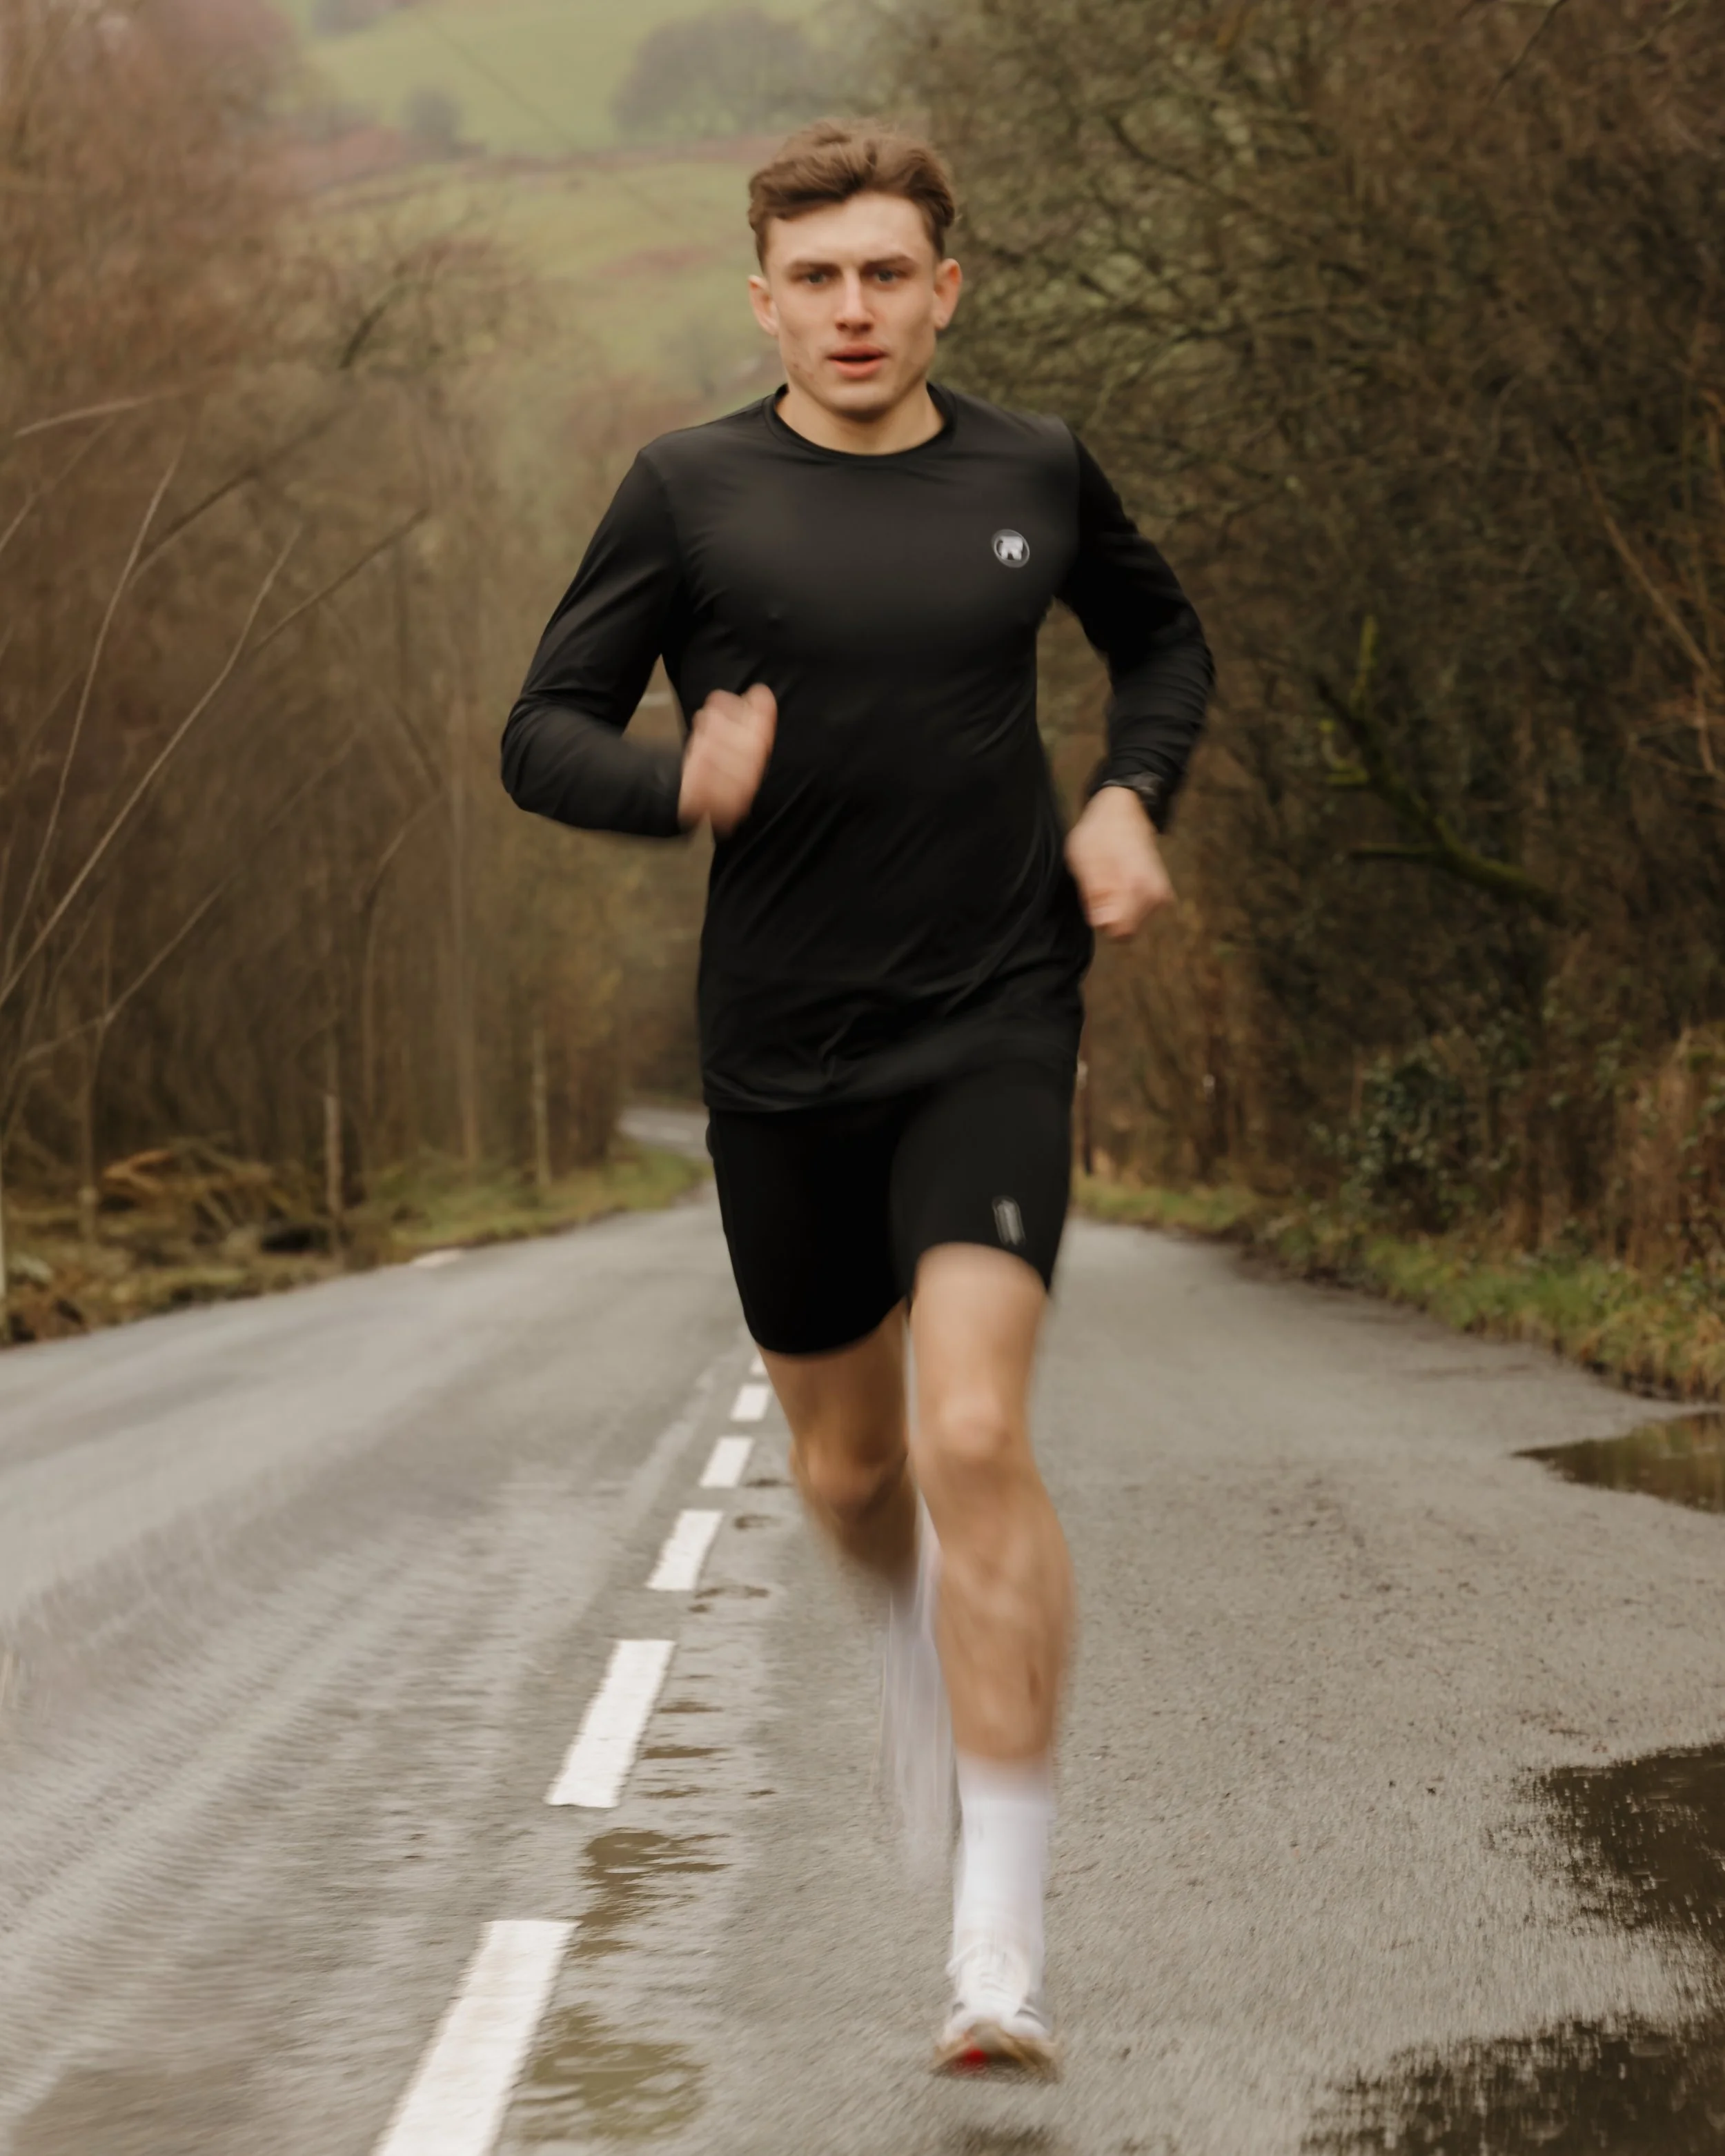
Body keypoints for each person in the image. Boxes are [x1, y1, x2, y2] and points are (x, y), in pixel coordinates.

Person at [501, 117, 1212, 2076]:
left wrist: (1125, 796)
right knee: (849, 1472)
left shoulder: (1035, 471)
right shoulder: (690, 492)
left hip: (994, 1013)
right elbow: (539, 733)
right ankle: (920, 1646)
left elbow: (1159, 641)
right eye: (815, 279)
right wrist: (678, 784)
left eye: (886, 273)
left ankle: (999, 1936)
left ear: (944, 287)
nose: (853, 309)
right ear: (764, 300)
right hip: (781, 1048)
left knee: (973, 1427)